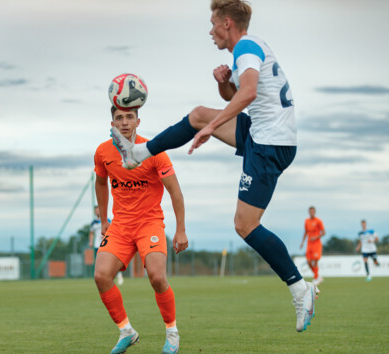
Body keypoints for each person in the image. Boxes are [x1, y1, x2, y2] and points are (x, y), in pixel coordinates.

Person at [110, 0, 318, 332]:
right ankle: (139, 152)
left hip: (270, 142)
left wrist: (213, 126)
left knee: (245, 225)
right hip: (266, 134)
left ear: (226, 23)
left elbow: (248, 93)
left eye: (212, 24)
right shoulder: (251, 49)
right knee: (197, 115)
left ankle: (299, 287)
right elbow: (236, 95)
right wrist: (224, 84)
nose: (210, 31)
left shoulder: (246, 47)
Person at [94, 106, 188, 354]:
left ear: (138, 121)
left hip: (149, 223)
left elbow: (175, 191)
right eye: (119, 118)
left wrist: (181, 229)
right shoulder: (103, 152)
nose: (124, 122)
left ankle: (171, 332)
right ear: (112, 122)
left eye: (129, 117)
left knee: (157, 277)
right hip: (121, 225)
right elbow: (101, 182)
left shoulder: (154, 151)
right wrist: (104, 220)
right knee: (101, 276)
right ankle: (126, 331)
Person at [89, 205, 123, 285]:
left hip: (106, 244)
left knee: (109, 262)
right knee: (99, 263)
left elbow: (113, 230)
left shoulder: (107, 220)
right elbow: (91, 233)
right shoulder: (93, 223)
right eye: (96, 210)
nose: (97, 211)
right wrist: (91, 241)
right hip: (97, 245)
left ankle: (118, 274)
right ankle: (102, 278)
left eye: (98, 210)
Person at [300, 206, 325, 285]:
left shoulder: (318, 221)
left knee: (315, 261)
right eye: (310, 211)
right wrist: (302, 242)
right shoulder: (306, 221)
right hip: (309, 244)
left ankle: (316, 278)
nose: (311, 213)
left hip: (316, 244)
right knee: (308, 262)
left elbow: (323, 232)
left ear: (315, 212)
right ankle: (317, 276)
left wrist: (316, 237)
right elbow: (306, 232)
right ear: (309, 212)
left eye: (313, 211)